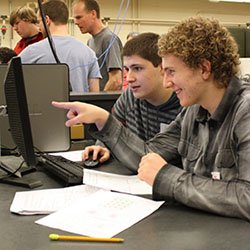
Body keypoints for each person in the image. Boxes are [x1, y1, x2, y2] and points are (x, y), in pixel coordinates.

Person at [52, 16, 250, 221]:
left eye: (171, 72)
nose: (166, 83)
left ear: (204, 68)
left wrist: (168, 178)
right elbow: (148, 158)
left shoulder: (245, 110)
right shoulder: (194, 111)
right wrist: (104, 121)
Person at [82, 32, 182, 164]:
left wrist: (103, 120)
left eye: (137, 68)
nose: (129, 78)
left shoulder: (185, 104)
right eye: (127, 69)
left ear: (162, 68)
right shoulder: (130, 96)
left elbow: (149, 156)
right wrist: (102, 147)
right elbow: (113, 132)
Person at [19, 0, 100, 92]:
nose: (39, 28)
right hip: (78, 106)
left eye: (39, 22)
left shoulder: (31, 52)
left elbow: (9, 82)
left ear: (47, 20)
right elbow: (94, 95)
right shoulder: (89, 53)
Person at [73, 0, 123, 91]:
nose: (76, 22)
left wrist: (99, 101)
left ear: (93, 14)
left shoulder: (109, 39)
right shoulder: (90, 41)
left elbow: (116, 80)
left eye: (79, 17)